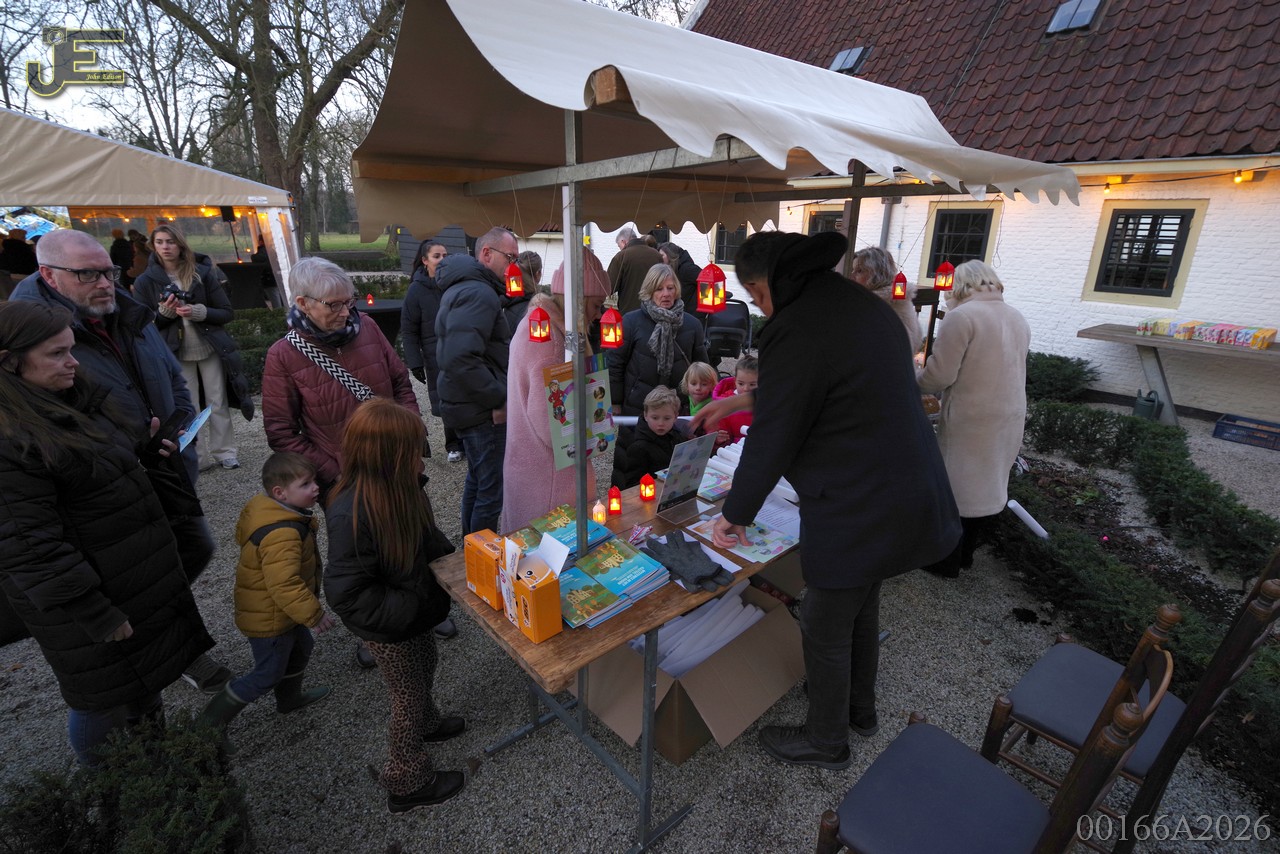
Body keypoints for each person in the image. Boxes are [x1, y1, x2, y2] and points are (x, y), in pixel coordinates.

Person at [696, 230, 959, 770]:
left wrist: (736, 512)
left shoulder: (796, 325)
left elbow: (778, 430)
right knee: (860, 605)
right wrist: (742, 400)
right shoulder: (855, 303)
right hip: (902, 483)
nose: (759, 306)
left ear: (774, 281)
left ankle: (826, 739)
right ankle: (860, 710)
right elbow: (827, 382)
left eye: (757, 293)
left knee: (824, 620)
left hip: (857, 496)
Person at [12, 228, 229, 692]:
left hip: (160, 463)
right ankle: (165, 656)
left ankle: (170, 645)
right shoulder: (33, 334)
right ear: (48, 274)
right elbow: (51, 423)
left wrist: (178, 427)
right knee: (138, 574)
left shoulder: (125, 309)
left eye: (108, 271)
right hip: (105, 485)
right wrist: (127, 447)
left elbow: (171, 376)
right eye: (87, 274)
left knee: (191, 548)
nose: (104, 283)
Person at [0, 301, 213, 765]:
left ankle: (152, 764)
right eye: (57, 354)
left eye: (71, 350)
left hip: (126, 573)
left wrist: (145, 452)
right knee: (105, 698)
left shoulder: (71, 397)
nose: (73, 363)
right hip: (93, 598)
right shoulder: (11, 437)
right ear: (10, 361)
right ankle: (110, 787)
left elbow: (93, 472)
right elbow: (29, 544)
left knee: (142, 680)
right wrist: (95, 613)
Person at [260, 257, 452, 657]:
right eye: (334, 305)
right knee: (366, 557)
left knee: (417, 533)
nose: (347, 312)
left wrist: (408, 432)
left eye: (350, 301)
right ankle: (376, 632)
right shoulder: (284, 355)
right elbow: (282, 432)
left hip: (399, 465)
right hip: (344, 480)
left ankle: (427, 606)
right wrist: (338, 472)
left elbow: (400, 382)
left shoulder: (368, 328)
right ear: (303, 302)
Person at [323, 399, 466, 814]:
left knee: (426, 662)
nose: (421, 458)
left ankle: (428, 722)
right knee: (407, 695)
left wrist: (449, 561)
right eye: (412, 451)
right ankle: (406, 779)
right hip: (388, 625)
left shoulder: (401, 486)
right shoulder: (350, 512)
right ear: (386, 456)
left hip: (412, 612)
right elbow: (347, 594)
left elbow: (426, 536)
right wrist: (410, 605)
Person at [200, 452, 333, 728]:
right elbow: (284, 583)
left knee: (302, 647)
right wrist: (314, 614)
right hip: (270, 618)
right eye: (306, 484)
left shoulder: (279, 513)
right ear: (279, 493)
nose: (315, 487)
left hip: (282, 612)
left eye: (314, 481)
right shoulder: (282, 533)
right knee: (267, 674)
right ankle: (209, 726)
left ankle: (289, 699)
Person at [916, 259, 1031, 577]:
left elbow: (939, 376)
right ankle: (966, 555)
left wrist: (911, 377)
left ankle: (944, 562)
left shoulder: (962, 317)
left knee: (957, 488)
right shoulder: (1016, 316)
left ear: (960, 286)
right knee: (985, 486)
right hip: (1009, 414)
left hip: (972, 416)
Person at [501, 247, 610, 533]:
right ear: (579, 301)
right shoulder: (551, 342)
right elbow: (554, 429)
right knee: (551, 553)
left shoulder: (544, 327)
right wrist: (598, 422)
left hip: (534, 470)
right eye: (596, 305)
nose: (599, 315)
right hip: (549, 483)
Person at [133, 223, 253, 471]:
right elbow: (140, 326)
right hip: (175, 353)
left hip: (209, 348)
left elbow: (226, 312)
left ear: (180, 244)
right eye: (160, 242)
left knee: (217, 402)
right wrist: (164, 315)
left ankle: (225, 452)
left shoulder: (202, 273)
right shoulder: (146, 281)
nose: (165, 247)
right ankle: (197, 457)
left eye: (170, 242)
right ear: (153, 246)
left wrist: (201, 312)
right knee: (189, 407)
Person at [435, 227, 516, 536]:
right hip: (480, 409)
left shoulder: (467, 287)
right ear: (486, 253)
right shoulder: (478, 292)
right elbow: (461, 358)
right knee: (490, 491)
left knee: (479, 480)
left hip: (467, 404)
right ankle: (482, 553)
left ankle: (470, 550)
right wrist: (498, 397)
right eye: (509, 257)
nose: (512, 266)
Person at [607, 262, 709, 426]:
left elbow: (702, 367)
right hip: (638, 407)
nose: (666, 294)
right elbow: (616, 364)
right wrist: (615, 401)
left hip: (678, 408)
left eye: (670, 288)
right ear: (649, 291)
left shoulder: (692, 325)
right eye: (659, 289)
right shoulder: (631, 322)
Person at [401, 239, 463, 463]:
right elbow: (409, 330)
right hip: (435, 355)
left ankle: (469, 439)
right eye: (437, 256)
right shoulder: (416, 291)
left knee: (466, 395)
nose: (443, 260)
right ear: (425, 261)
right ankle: (453, 444)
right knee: (446, 400)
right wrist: (415, 362)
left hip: (461, 350)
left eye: (445, 255)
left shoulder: (456, 284)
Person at [850, 246, 922, 354]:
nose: (852, 276)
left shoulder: (878, 308)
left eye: (859, 271)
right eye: (852, 270)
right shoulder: (895, 302)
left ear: (877, 274)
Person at [614, 386, 687, 488]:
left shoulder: (677, 436)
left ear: (675, 417)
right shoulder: (638, 448)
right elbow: (632, 484)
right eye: (655, 418)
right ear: (646, 415)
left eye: (667, 418)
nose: (661, 423)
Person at [607, 226, 664, 314]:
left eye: (619, 246)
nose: (620, 248)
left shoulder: (621, 257)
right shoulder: (656, 255)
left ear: (623, 241)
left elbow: (609, 288)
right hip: (655, 310)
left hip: (629, 312)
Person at [710, 354, 758, 445]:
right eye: (741, 384)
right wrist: (718, 440)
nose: (746, 389)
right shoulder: (725, 404)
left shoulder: (768, 401)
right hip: (736, 449)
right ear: (735, 381)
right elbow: (720, 434)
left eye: (752, 384)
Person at [659, 242, 703, 309]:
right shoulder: (670, 270)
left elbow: (707, 282)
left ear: (670, 255)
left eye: (662, 255)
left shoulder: (688, 269)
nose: (659, 258)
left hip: (691, 312)